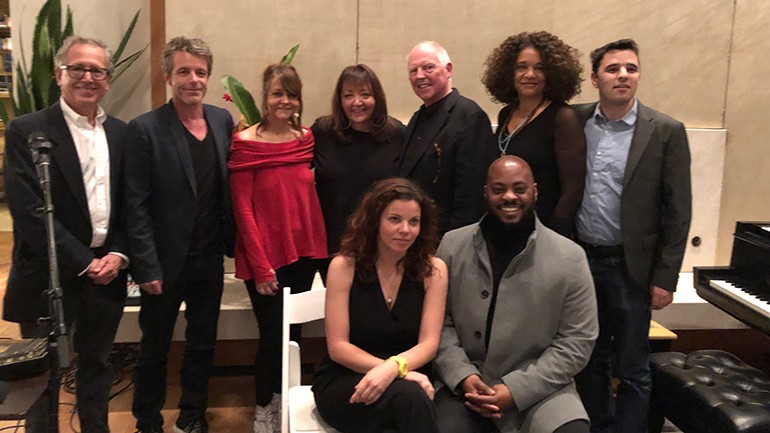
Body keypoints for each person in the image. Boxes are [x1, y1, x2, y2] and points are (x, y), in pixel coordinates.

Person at [2, 35, 127, 433]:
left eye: (97, 70)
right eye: (78, 68)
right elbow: (30, 214)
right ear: (59, 74)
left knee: (98, 365)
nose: (88, 77)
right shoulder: (27, 131)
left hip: (108, 270)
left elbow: (134, 203)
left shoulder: (123, 134)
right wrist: (83, 263)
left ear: (108, 80)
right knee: (42, 377)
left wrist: (119, 255)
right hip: (49, 274)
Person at [573, 39, 691, 433]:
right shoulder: (574, 122)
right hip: (582, 264)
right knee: (588, 360)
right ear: (594, 78)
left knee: (633, 366)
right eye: (612, 68)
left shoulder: (666, 131)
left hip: (632, 269)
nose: (623, 75)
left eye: (631, 68)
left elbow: (679, 211)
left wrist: (665, 277)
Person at [434, 156, 598, 433]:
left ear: (535, 191)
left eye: (519, 189)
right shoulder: (452, 245)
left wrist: (515, 390)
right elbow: (438, 323)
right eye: (498, 189)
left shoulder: (571, 257)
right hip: (465, 385)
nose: (509, 196)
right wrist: (463, 375)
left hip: (541, 390)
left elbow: (577, 342)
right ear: (485, 192)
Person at [124, 37, 235, 433]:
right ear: (168, 75)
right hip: (162, 265)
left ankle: (192, 416)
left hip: (209, 260)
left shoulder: (223, 121)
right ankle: (147, 421)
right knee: (154, 348)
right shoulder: (145, 130)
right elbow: (134, 206)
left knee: (203, 345)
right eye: (184, 71)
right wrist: (145, 266)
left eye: (200, 72)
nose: (193, 79)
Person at [228, 63, 327, 433]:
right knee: (272, 337)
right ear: (264, 99)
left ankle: (288, 403)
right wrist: (262, 265)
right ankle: (264, 406)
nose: (284, 100)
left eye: (291, 93)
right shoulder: (245, 143)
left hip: (304, 253)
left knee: (294, 334)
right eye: (277, 93)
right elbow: (243, 210)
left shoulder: (306, 140)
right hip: (266, 258)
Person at [313, 177, 448, 433]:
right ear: (374, 220)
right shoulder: (344, 267)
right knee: (408, 400)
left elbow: (429, 344)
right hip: (346, 379)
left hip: (409, 378)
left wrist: (394, 368)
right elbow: (338, 347)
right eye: (395, 219)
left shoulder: (434, 270)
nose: (405, 229)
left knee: (405, 405)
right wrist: (393, 372)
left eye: (414, 221)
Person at [482, 31, 586, 237]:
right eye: (522, 67)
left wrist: (550, 233)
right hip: (508, 223)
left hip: (546, 230)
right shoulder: (506, 113)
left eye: (539, 68)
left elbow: (573, 189)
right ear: (510, 72)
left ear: (551, 75)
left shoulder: (563, 117)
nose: (530, 74)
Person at [312, 64, 404, 274]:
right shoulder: (323, 132)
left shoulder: (397, 135)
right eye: (348, 95)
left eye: (365, 94)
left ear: (377, 98)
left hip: (380, 245)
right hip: (331, 246)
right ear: (340, 100)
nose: (357, 102)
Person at [398, 41, 497, 235]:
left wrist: (451, 246)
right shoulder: (417, 118)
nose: (420, 76)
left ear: (448, 69)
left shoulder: (470, 117)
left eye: (428, 67)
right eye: (413, 70)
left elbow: (471, 197)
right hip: (414, 235)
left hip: (449, 240)